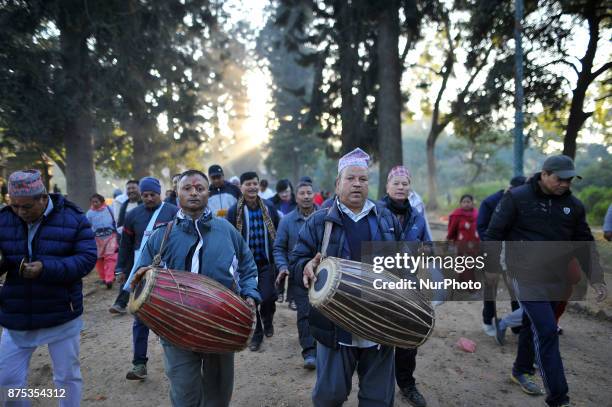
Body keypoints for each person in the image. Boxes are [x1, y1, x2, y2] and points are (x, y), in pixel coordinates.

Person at [130, 170, 261, 407]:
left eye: (199, 188)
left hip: (222, 324)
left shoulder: (227, 230)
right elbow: (140, 278)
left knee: (218, 396)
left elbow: (247, 266)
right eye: (187, 188)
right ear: (176, 193)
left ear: (207, 193)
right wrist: (140, 283)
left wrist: (250, 295)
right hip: (175, 328)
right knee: (184, 395)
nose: (193, 192)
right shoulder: (162, 235)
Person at [485, 155, 607, 407]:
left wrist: (596, 278)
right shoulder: (517, 198)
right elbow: (494, 233)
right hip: (524, 274)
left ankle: (520, 370)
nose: (565, 183)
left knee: (533, 324)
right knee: (548, 331)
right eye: (560, 179)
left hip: (557, 277)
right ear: (544, 174)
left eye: (569, 179)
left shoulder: (573, 206)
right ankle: (558, 398)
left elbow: (584, 243)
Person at [290, 148, 402, 406]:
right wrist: (306, 266)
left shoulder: (386, 219)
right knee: (330, 395)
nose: (357, 184)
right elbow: (297, 260)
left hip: (378, 323)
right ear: (338, 183)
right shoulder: (319, 222)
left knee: (378, 399)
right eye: (350, 178)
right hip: (334, 324)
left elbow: (402, 265)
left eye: (363, 179)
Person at [0, 170, 97, 407]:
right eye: (15, 206)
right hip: (17, 312)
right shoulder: (4, 218)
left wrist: (46, 268)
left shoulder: (73, 217)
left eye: (26, 206)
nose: (20, 213)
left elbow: (87, 258)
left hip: (61, 311)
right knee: (6, 379)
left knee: (66, 377)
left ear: (43, 198)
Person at [109, 176, 178, 381]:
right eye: (145, 195)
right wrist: (121, 268)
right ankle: (139, 364)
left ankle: (176, 363)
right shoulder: (132, 215)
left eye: (152, 195)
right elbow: (126, 246)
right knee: (140, 318)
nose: (148, 198)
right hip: (141, 273)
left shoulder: (173, 212)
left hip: (167, 273)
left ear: (159, 193)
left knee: (169, 318)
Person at [380, 165, 428, 407]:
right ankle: (379, 385)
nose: (401, 187)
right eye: (396, 183)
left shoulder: (418, 217)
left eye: (405, 183)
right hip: (378, 285)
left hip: (409, 285)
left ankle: (407, 384)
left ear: (410, 187)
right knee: (381, 337)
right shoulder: (374, 212)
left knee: (409, 336)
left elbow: (427, 248)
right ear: (387, 186)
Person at [227, 171, 280, 352]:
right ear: (241, 187)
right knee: (252, 300)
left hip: (266, 262)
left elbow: (278, 233)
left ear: (259, 185)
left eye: (254, 183)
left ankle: (268, 318)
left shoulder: (269, 208)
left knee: (267, 297)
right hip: (246, 266)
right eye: (248, 184)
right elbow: (230, 237)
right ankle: (257, 335)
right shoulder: (235, 211)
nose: (252, 187)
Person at [273, 181, 318, 369]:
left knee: (325, 311)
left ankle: (326, 348)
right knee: (305, 311)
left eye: (309, 192)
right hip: (298, 273)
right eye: (302, 193)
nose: (306, 196)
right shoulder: (287, 221)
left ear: (314, 195)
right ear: (296, 197)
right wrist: (283, 267)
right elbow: (279, 248)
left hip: (323, 272)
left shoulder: (325, 216)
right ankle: (309, 352)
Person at [477, 176, 525, 337]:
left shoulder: (520, 201)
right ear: (509, 188)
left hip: (513, 250)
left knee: (515, 287)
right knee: (491, 286)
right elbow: (482, 227)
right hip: (492, 248)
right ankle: (487, 319)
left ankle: (517, 326)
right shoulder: (489, 202)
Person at [86, 193, 119, 289]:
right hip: (97, 239)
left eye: (96, 201)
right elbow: (87, 226)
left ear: (102, 201)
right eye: (93, 202)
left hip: (111, 237)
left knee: (110, 258)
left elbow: (116, 221)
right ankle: (104, 277)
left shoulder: (109, 209)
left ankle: (109, 278)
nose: (95, 204)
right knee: (99, 259)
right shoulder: (89, 213)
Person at [447, 194, 479, 284]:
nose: (466, 204)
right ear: (460, 204)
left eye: (468, 202)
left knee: (471, 265)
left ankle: (463, 282)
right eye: (464, 202)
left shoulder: (477, 214)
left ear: (472, 203)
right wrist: (449, 239)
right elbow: (452, 229)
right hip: (462, 245)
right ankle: (469, 286)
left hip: (475, 244)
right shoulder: (456, 215)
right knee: (463, 263)